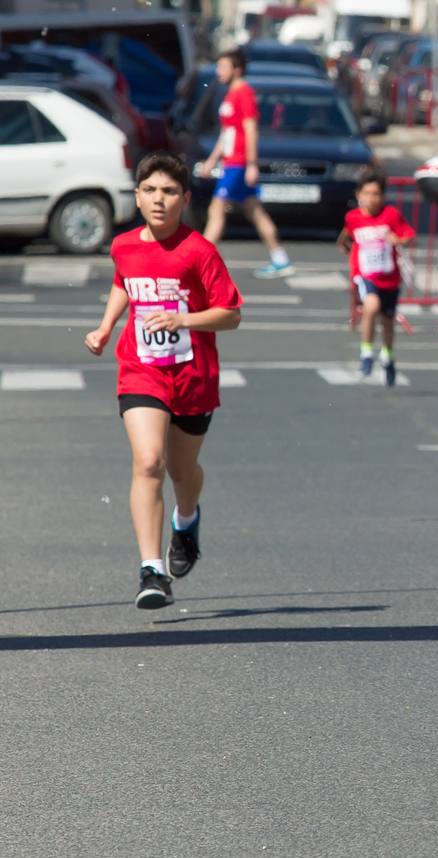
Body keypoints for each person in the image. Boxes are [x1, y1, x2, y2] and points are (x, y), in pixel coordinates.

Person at [84, 152, 243, 609]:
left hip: (193, 377)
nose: (159, 199)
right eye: (150, 190)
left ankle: (187, 520)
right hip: (141, 369)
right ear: (136, 196)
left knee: (182, 471)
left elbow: (231, 314)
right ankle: (151, 569)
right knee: (149, 460)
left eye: (169, 191)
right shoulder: (124, 246)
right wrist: (106, 326)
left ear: (184, 198)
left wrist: (184, 320)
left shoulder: (199, 251)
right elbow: (124, 281)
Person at [197, 48, 293, 279]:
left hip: (239, 163)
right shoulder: (230, 94)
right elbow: (226, 133)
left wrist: (251, 164)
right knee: (254, 210)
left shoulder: (244, 93)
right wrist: (212, 160)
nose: (219, 71)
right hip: (230, 161)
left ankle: (201, 261)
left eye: (223, 67)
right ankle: (280, 258)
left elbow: (250, 130)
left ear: (236, 69)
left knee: (216, 208)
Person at [337, 168, 416, 387]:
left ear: (383, 196)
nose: (371, 199)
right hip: (365, 275)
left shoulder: (390, 215)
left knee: (388, 321)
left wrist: (397, 240)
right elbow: (344, 237)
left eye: (376, 194)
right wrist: (349, 252)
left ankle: (388, 357)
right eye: (367, 193)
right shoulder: (353, 218)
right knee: (371, 307)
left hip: (389, 277)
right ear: (358, 195)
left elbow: (408, 234)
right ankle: (366, 353)